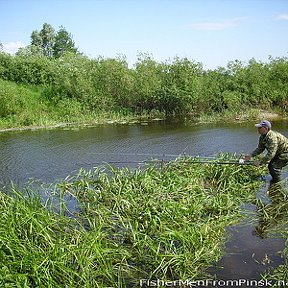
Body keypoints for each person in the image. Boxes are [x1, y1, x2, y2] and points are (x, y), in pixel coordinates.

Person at [244, 120, 288, 184]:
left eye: (260, 128)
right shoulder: (262, 137)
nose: (258, 129)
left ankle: (278, 183)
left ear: (266, 128)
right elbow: (260, 149)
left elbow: (271, 154)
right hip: (279, 152)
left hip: (285, 152)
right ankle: (276, 181)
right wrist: (250, 155)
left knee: (273, 166)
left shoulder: (272, 137)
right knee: (271, 165)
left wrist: (260, 162)